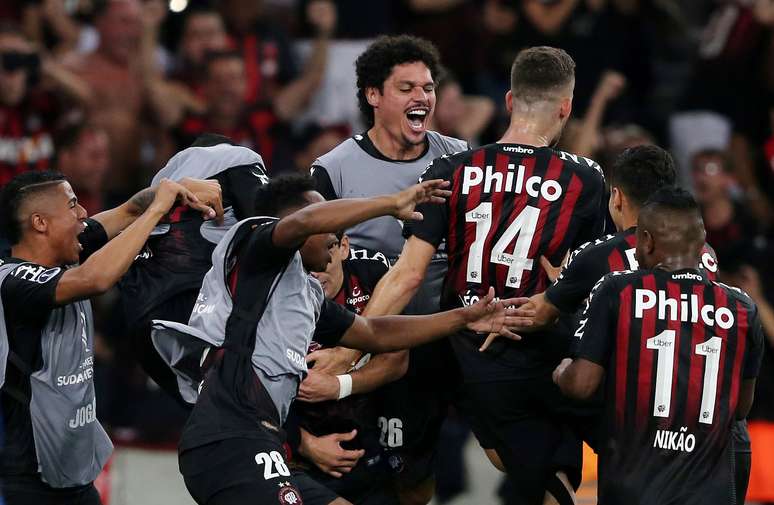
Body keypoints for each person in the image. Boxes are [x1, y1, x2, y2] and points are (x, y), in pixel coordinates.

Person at [150, 174, 530, 505]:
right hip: (229, 438)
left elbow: (374, 332)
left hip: (261, 444)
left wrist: (465, 318)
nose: (335, 236)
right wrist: (389, 204)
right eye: (326, 225)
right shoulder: (257, 246)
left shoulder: (306, 294)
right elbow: (306, 219)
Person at [365, 46, 607, 505]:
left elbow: (407, 275)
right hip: (534, 349)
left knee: (423, 476)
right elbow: (598, 281)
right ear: (566, 107)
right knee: (561, 472)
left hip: (456, 342)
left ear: (511, 101)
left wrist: (354, 342)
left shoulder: (453, 169)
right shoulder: (586, 179)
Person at [310, 35, 469, 505]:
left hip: (430, 347)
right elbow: (311, 260)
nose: (422, 97)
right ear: (373, 95)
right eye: (406, 88)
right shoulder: (332, 170)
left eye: (428, 87)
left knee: (415, 474)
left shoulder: (459, 157)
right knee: (348, 472)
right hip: (353, 344)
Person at [0, 170, 216, 504]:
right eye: (72, 205)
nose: (83, 214)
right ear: (40, 222)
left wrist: (176, 190)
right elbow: (96, 278)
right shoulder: (12, 281)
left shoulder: (69, 256)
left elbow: (130, 210)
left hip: (77, 477)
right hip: (29, 481)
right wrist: (158, 209)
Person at [554, 187, 764, 505]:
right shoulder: (743, 308)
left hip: (632, 491)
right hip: (710, 493)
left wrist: (562, 371)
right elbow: (741, 408)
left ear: (648, 240)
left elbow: (582, 385)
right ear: (701, 241)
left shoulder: (618, 289)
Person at [119, 133, 268, 403]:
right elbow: (267, 231)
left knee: (208, 412)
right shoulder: (237, 158)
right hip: (196, 304)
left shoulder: (156, 188)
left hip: (140, 317)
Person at [291, 232, 399, 504]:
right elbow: (245, 388)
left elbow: (398, 360)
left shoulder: (374, 276)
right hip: (295, 448)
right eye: (305, 265)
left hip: (371, 433)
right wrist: (305, 444)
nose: (315, 275)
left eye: (323, 262)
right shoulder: (273, 293)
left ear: (343, 247)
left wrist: (338, 385)